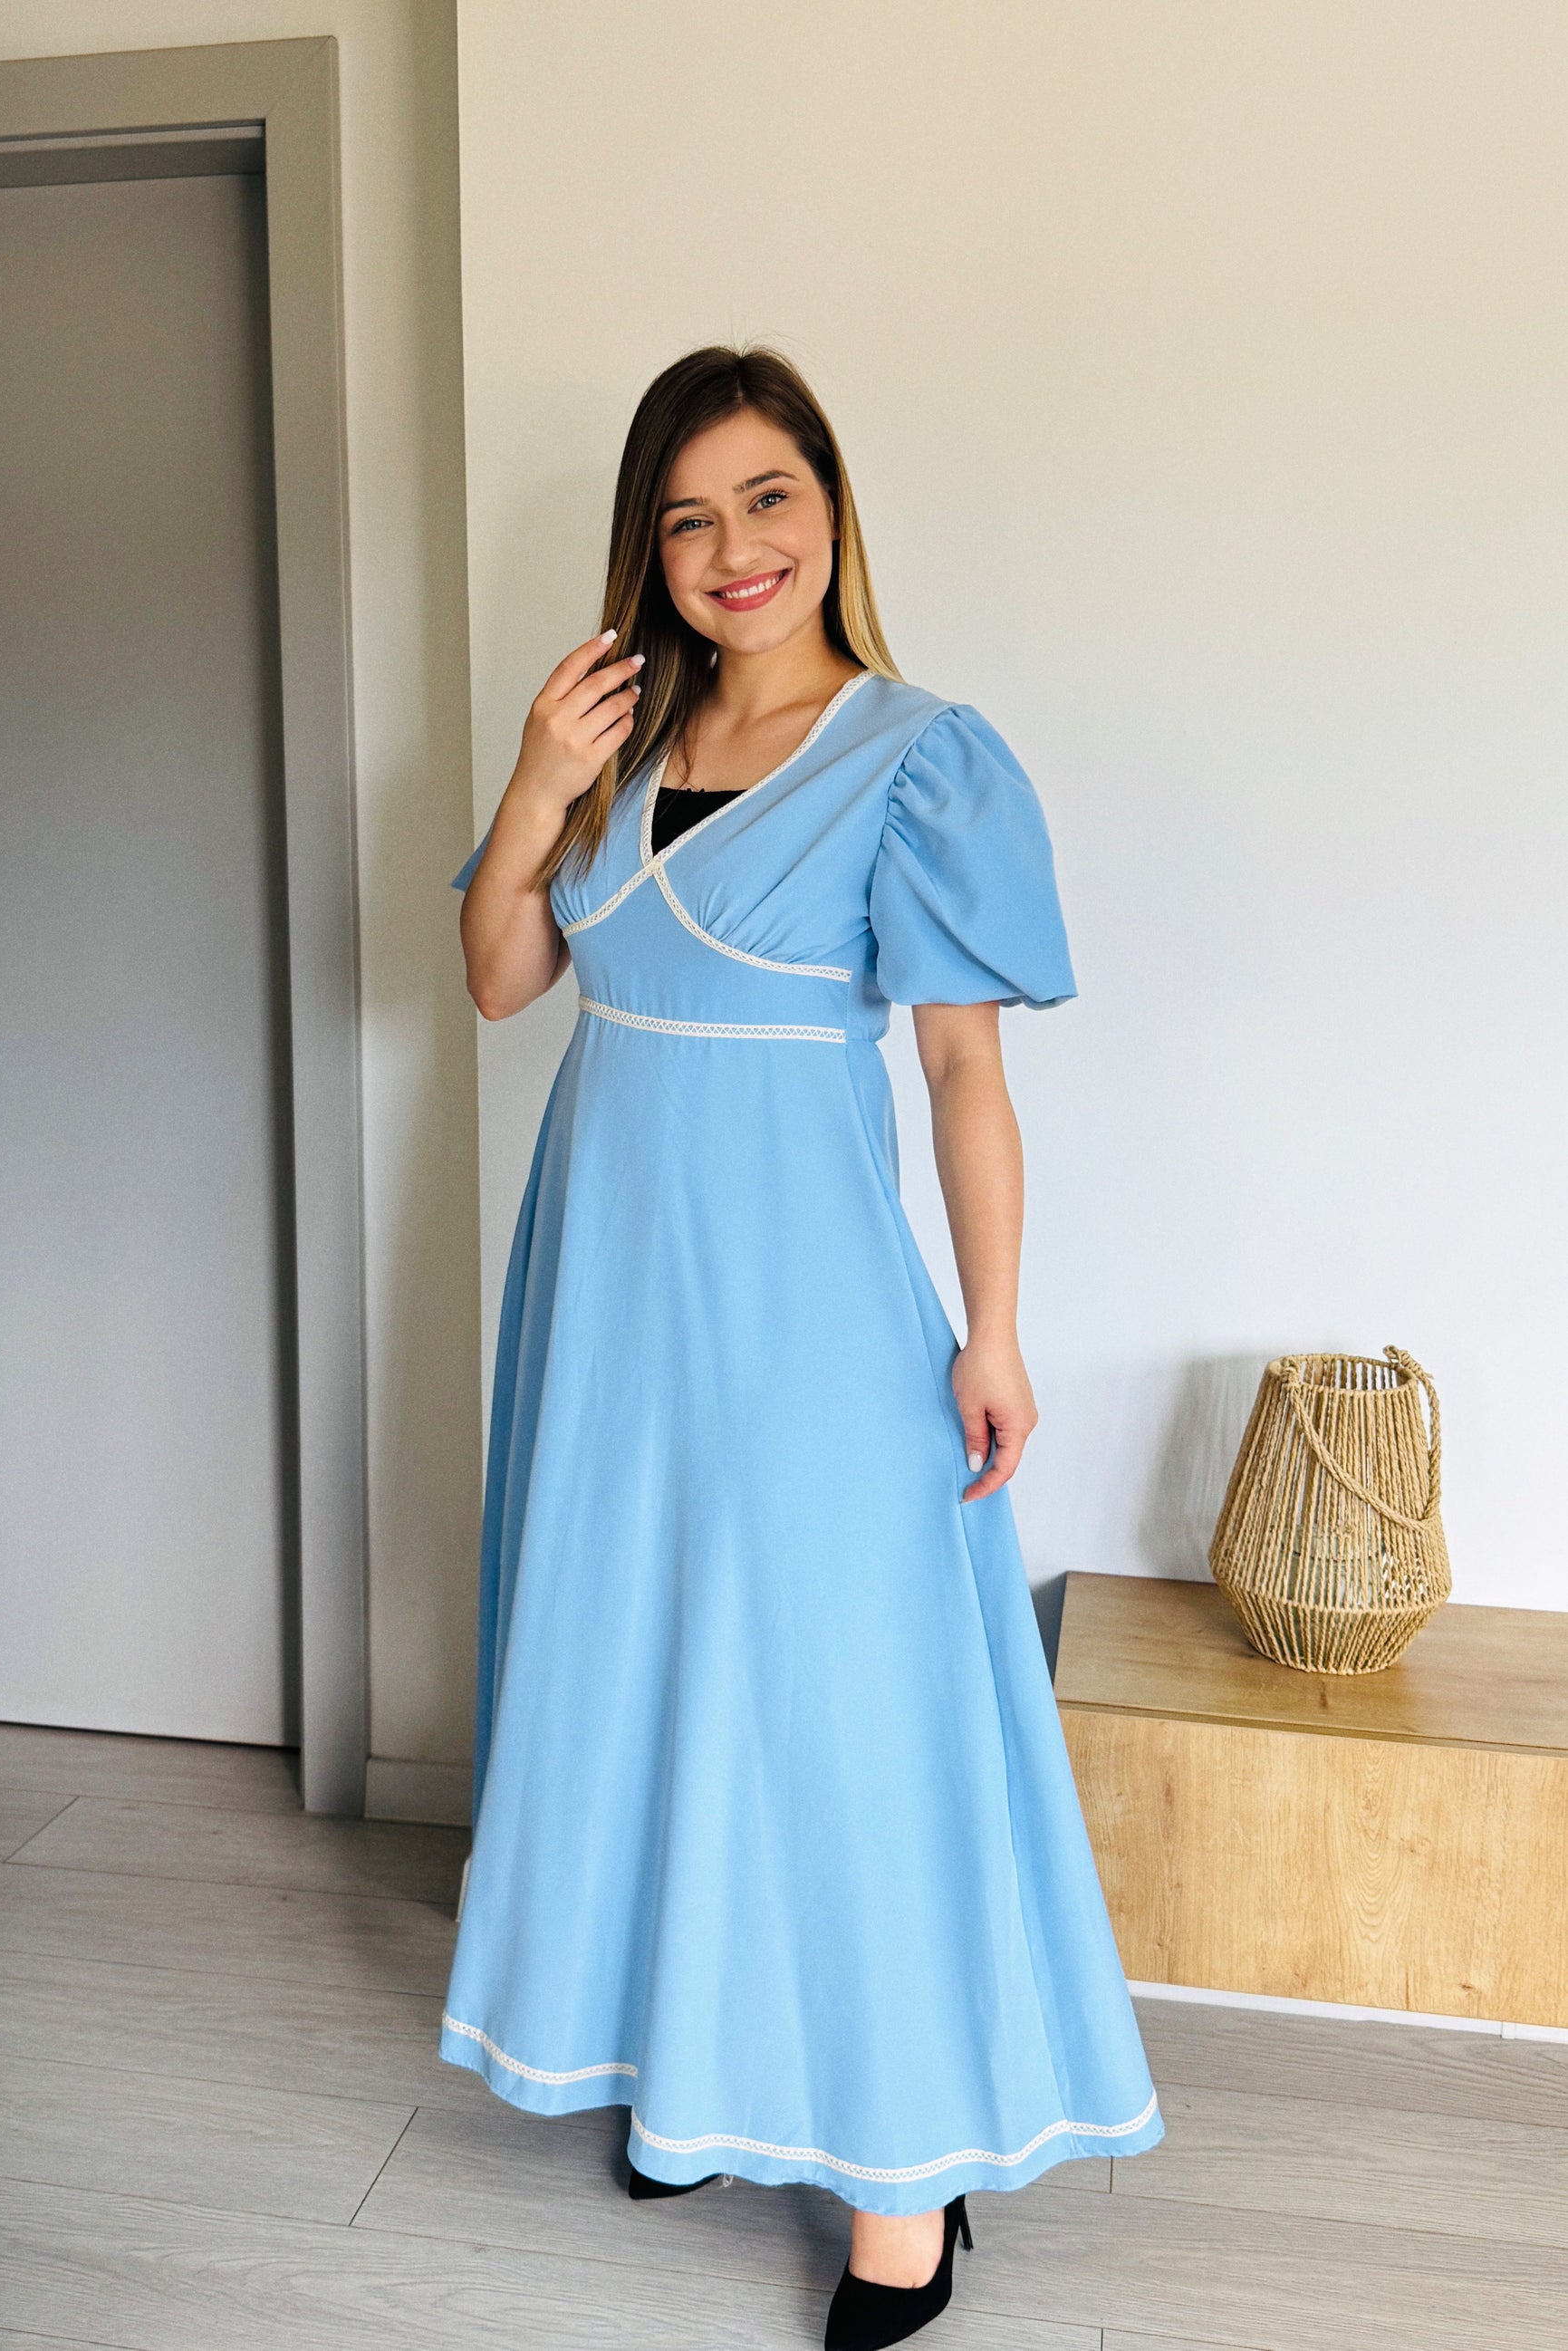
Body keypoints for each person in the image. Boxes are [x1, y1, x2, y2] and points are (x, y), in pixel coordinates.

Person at [445, 345, 1160, 2349]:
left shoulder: (915, 756)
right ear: (648, 549)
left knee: (843, 1717)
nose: (732, 547)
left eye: (766, 497)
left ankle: (904, 2188)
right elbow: (500, 979)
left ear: (829, 507)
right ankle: (690, 2073)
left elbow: (961, 1071)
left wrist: (993, 1327)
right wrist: (532, 786)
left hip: (805, 1307)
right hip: (610, 1297)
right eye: (687, 516)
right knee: (651, 1677)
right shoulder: (615, 733)